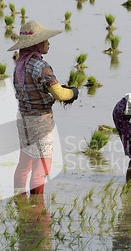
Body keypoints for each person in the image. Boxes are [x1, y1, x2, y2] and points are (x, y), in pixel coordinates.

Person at [8, 21, 79, 196]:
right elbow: (60, 95)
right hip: (40, 121)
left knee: (24, 164)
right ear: (37, 44)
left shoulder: (19, 66)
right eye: (46, 40)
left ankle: (20, 201)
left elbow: (34, 89)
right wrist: (73, 92)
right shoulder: (41, 67)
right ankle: (37, 206)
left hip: (23, 119)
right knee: (41, 166)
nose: (49, 43)